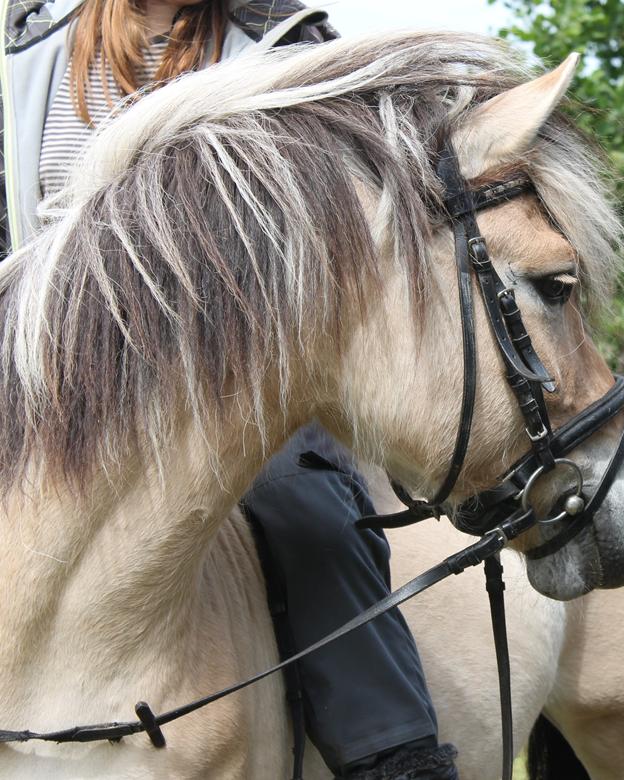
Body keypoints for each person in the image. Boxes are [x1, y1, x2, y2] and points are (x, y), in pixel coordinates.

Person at [1, 2, 456, 778]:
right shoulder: (26, 45)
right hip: (39, 357)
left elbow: (348, 205)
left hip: (232, 371)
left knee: (303, 504)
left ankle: (391, 755)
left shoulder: (285, 45)